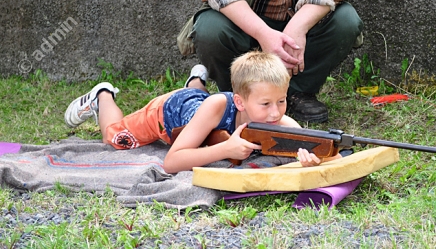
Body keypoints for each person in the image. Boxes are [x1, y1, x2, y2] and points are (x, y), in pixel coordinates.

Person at [177, 0, 364, 123]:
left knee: (346, 21)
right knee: (210, 29)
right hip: (247, 21)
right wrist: (262, 33)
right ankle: (238, 99)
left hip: (304, 19)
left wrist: (297, 27)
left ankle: (297, 93)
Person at [64, 51, 341, 173]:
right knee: (115, 138)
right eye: (266, 104)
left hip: (200, 106)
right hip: (168, 113)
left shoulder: (280, 119)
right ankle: (102, 96)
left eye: (281, 101)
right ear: (241, 102)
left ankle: (197, 81)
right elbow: (172, 163)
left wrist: (310, 158)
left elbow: (323, 148)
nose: (275, 113)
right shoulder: (220, 106)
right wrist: (226, 150)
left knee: (202, 105)